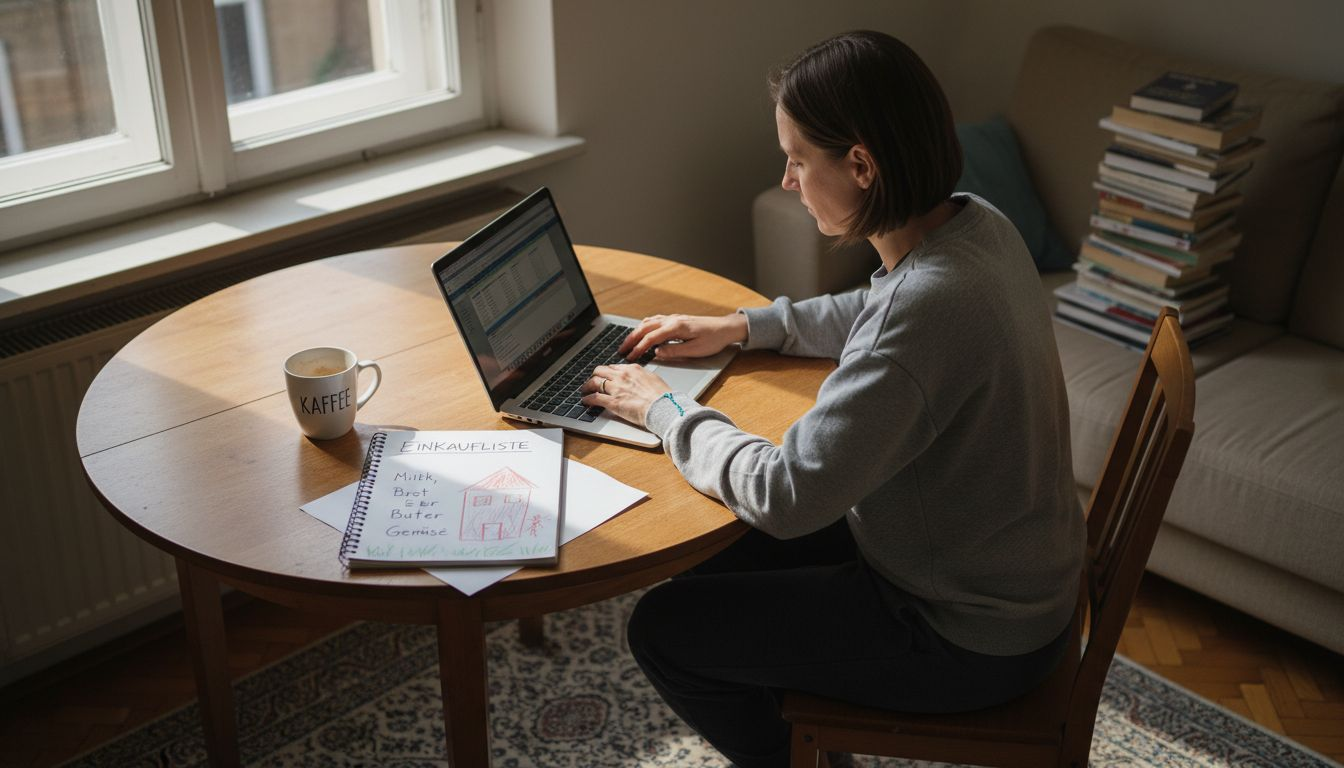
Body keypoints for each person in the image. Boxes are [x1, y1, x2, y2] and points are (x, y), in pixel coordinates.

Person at [579, 30, 1085, 768]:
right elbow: (871, 310)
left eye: (796, 159)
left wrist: (662, 409)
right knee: (713, 556)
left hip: (963, 633)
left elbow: (788, 494)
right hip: (1010, 581)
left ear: (860, 165)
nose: (786, 180)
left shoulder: (921, 313)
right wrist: (743, 327)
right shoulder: (977, 224)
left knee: (664, 629)